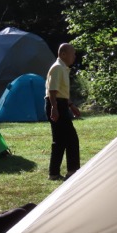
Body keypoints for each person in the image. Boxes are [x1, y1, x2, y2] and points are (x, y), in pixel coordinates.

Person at [45, 43, 81, 181]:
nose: (74, 56)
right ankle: (73, 171)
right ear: (63, 54)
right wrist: (54, 108)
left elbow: (61, 92)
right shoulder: (58, 68)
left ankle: (53, 173)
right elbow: (52, 91)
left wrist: (71, 105)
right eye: (72, 54)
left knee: (59, 140)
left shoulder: (63, 68)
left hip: (61, 103)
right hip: (56, 104)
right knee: (71, 138)